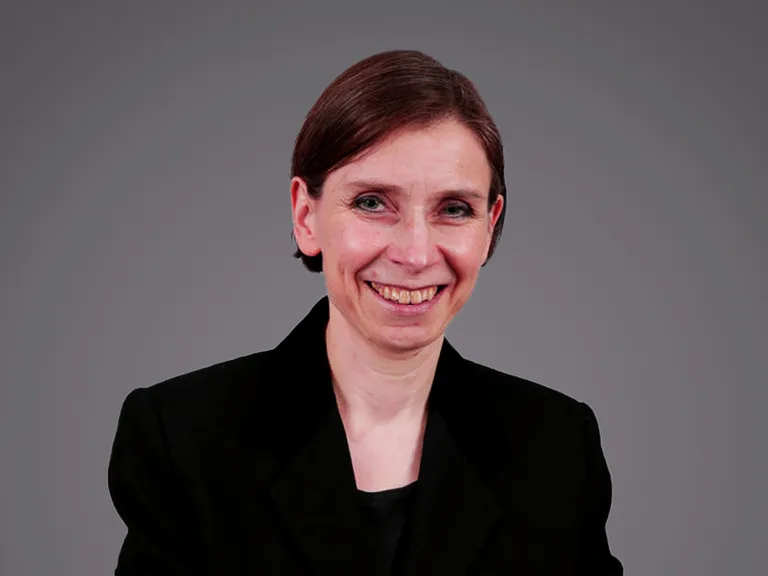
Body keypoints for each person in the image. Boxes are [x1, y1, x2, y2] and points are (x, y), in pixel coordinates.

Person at [108, 49, 623, 575]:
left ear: (489, 225)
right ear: (306, 217)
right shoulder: (183, 437)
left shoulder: (557, 445)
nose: (416, 254)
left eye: (454, 209)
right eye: (373, 203)